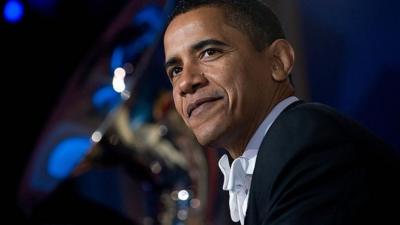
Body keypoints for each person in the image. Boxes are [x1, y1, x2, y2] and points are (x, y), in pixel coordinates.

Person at [162, 0, 400, 225]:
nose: (185, 83)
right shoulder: (270, 162)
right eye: (175, 70)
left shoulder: (308, 144)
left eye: (210, 52)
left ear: (278, 61)